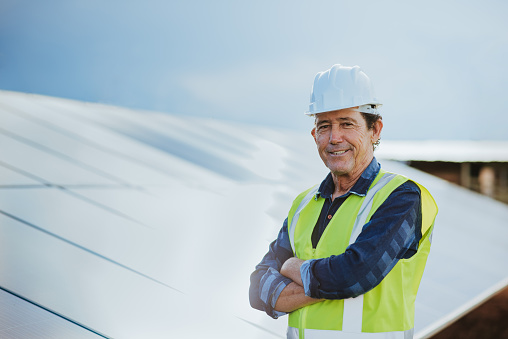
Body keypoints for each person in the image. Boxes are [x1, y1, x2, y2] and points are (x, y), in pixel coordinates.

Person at [249, 64, 438, 339]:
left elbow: (355, 274)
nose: (334, 138)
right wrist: (328, 282)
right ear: (314, 135)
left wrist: (291, 268)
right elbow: (257, 288)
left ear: (375, 130)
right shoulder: (303, 204)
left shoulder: (402, 197)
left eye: (347, 124)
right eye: (324, 126)